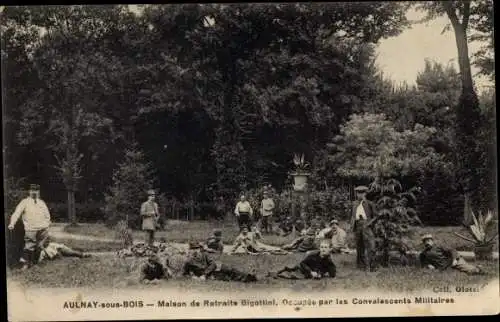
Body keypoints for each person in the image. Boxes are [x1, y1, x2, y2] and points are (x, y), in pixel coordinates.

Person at [8, 184, 52, 270]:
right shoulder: (25, 202)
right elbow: (17, 213)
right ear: (29, 191)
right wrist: (12, 223)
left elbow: (47, 216)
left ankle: (35, 262)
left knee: (40, 246)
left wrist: (46, 225)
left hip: (42, 229)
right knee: (29, 247)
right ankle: (26, 264)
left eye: (36, 190)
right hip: (30, 229)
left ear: (38, 192)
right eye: (32, 190)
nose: (34, 192)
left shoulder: (41, 203)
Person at [182, 242, 257, 282]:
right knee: (226, 278)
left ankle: (249, 276)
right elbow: (185, 274)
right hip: (212, 274)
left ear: (200, 249)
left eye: (197, 248)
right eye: (193, 249)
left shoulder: (205, 255)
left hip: (214, 269)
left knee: (231, 269)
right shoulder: (188, 262)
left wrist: (204, 274)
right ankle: (247, 278)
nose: (195, 250)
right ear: (190, 250)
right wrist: (193, 277)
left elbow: (213, 264)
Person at [269, 240, 337, 280]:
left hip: (307, 274)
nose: (323, 249)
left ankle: (277, 274)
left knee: (292, 276)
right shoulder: (314, 255)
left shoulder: (328, 260)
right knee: (289, 267)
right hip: (303, 268)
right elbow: (303, 263)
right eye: (322, 247)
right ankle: (274, 272)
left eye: (325, 247)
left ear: (329, 249)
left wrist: (320, 274)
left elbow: (332, 274)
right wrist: (311, 272)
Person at [419, 234, 484, 275]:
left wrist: (455, 260)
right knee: (458, 274)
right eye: (425, 241)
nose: (427, 243)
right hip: (444, 268)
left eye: (428, 241)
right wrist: (428, 265)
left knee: (470, 270)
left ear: (432, 241)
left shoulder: (439, 246)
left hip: (453, 261)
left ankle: (478, 269)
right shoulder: (423, 254)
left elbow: (452, 250)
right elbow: (423, 264)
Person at [350, 185, 376, 271]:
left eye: (362, 193)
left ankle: (372, 266)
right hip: (357, 225)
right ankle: (361, 265)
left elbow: (375, 216)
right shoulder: (354, 204)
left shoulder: (370, 204)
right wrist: (352, 225)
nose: (360, 195)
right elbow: (352, 215)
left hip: (366, 225)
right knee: (359, 246)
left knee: (370, 246)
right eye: (358, 193)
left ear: (365, 193)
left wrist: (369, 224)